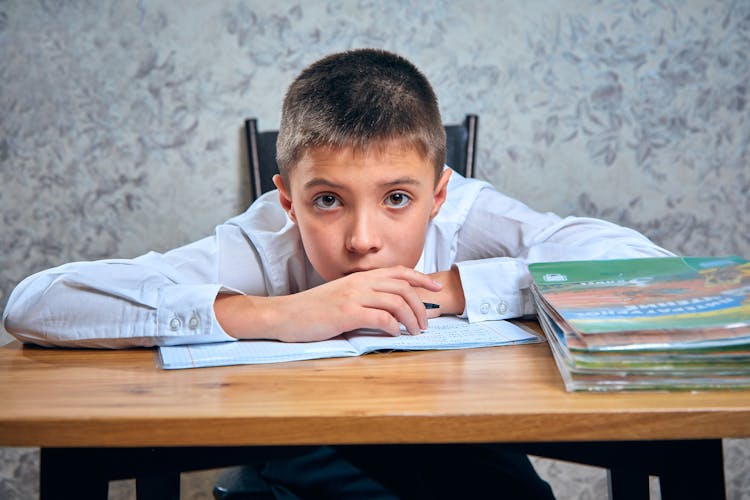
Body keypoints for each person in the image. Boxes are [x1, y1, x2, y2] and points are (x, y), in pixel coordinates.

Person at [3, 48, 672, 498]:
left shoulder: (467, 216)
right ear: (288, 198)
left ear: (439, 195)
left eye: (398, 199)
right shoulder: (267, 236)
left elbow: (657, 275)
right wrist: (276, 315)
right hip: (291, 459)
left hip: (461, 453)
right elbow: (37, 303)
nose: (362, 240)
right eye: (328, 200)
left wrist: (463, 286)